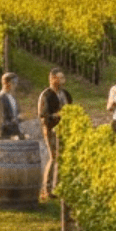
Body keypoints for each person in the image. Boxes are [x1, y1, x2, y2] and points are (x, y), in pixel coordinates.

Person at [37, 67, 73, 198]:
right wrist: (56, 116)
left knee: (62, 158)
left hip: (65, 129)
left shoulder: (66, 94)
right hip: (51, 129)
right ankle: (47, 189)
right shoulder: (46, 95)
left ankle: (58, 186)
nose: (63, 80)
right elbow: (43, 116)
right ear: (52, 79)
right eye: (60, 77)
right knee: (54, 157)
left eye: (63, 77)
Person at [0, 72, 22, 138]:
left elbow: (15, 115)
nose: (16, 85)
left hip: (13, 133)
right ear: (7, 83)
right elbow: (1, 121)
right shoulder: (0, 98)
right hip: (4, 135)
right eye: (14, 82)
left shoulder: (12, 96)